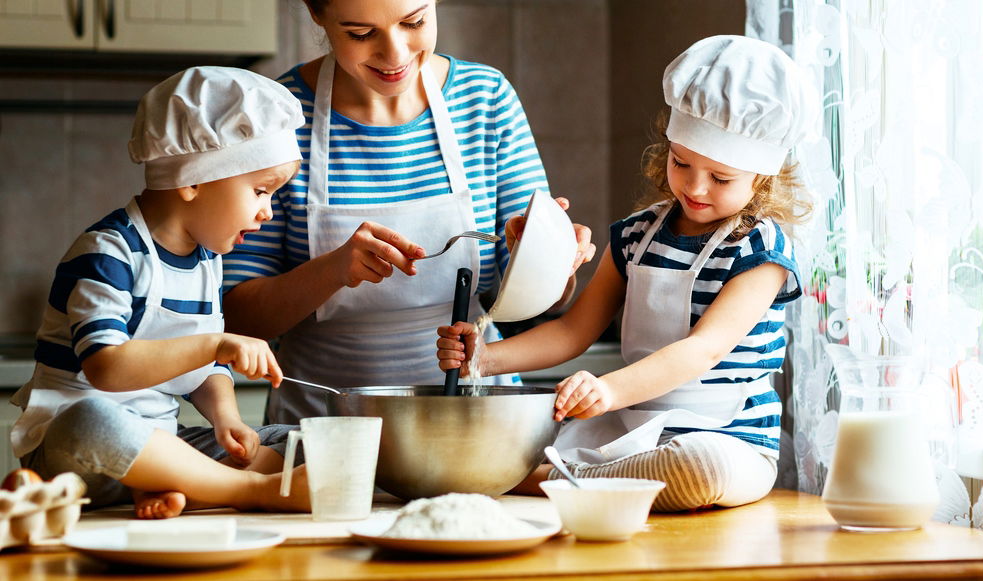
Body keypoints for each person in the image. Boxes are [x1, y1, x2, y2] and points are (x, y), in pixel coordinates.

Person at [437, 35, 818, 512]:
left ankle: (544, 479)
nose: (695, 187)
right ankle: (583, 479)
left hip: (731, 441)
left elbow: (704, 349)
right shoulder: (635, 237)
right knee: (550, 439)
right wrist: (484, 359)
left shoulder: (762, 250)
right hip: (631, 432)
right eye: (681, 162)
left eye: (721, 178)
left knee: (702, 466)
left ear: (763, 176)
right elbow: (574, 331)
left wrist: (609, 389)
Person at [220, 0, 596, 424]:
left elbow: (545, 303)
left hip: (473, 422)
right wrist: (331, 271)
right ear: (317, 13)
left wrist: (551, 260)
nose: (395, 54)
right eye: (361, 33)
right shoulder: (278, 116)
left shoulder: (485, 99)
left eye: (414, 21)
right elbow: (237, 317)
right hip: (323, 426)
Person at [9, 66, 313, 519]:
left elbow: (202, 370)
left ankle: (173, 485)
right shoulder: (109, 251)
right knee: (91, 422)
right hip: (76, 453)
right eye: (260, 191)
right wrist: (216, 343)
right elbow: (106, 368)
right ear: (193, 180)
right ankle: (251, 490)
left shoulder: (207, 260)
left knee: (300, 444)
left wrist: (225, 418)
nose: (268, 211)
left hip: (161, 444)